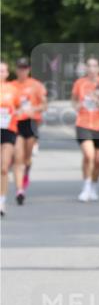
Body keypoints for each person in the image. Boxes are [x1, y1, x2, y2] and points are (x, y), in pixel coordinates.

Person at [13, 57, 47, 205]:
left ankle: (26, 172)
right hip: (16, 123)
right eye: (20, 68)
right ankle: (20, 190)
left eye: (25, 68)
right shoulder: (11, 85)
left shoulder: (36, 86)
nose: (22, 71)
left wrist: (34, 108)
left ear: (29, 70)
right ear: (16, 70)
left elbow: (44, 105)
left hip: (31, 122)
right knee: (18, 157)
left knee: (27, 157)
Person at [71, 56, 99, 202]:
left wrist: (98, 100)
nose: (92, 69)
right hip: (83, 123)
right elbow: (73, 100)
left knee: (98, 160)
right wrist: (78, 105)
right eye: (89, 66)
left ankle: (93, 186)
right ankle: (86, 186)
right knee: (89, 155)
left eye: (94, 66)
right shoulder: (80, 83)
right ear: (86, 68)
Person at [0, 61, 21, 217]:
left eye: (3, 71)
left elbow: (21, 108)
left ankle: (1, 201)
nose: (1, 73)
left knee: (4, 167)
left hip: (8, 129)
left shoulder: (13, 89)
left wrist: (14, 112)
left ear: (7, 73)